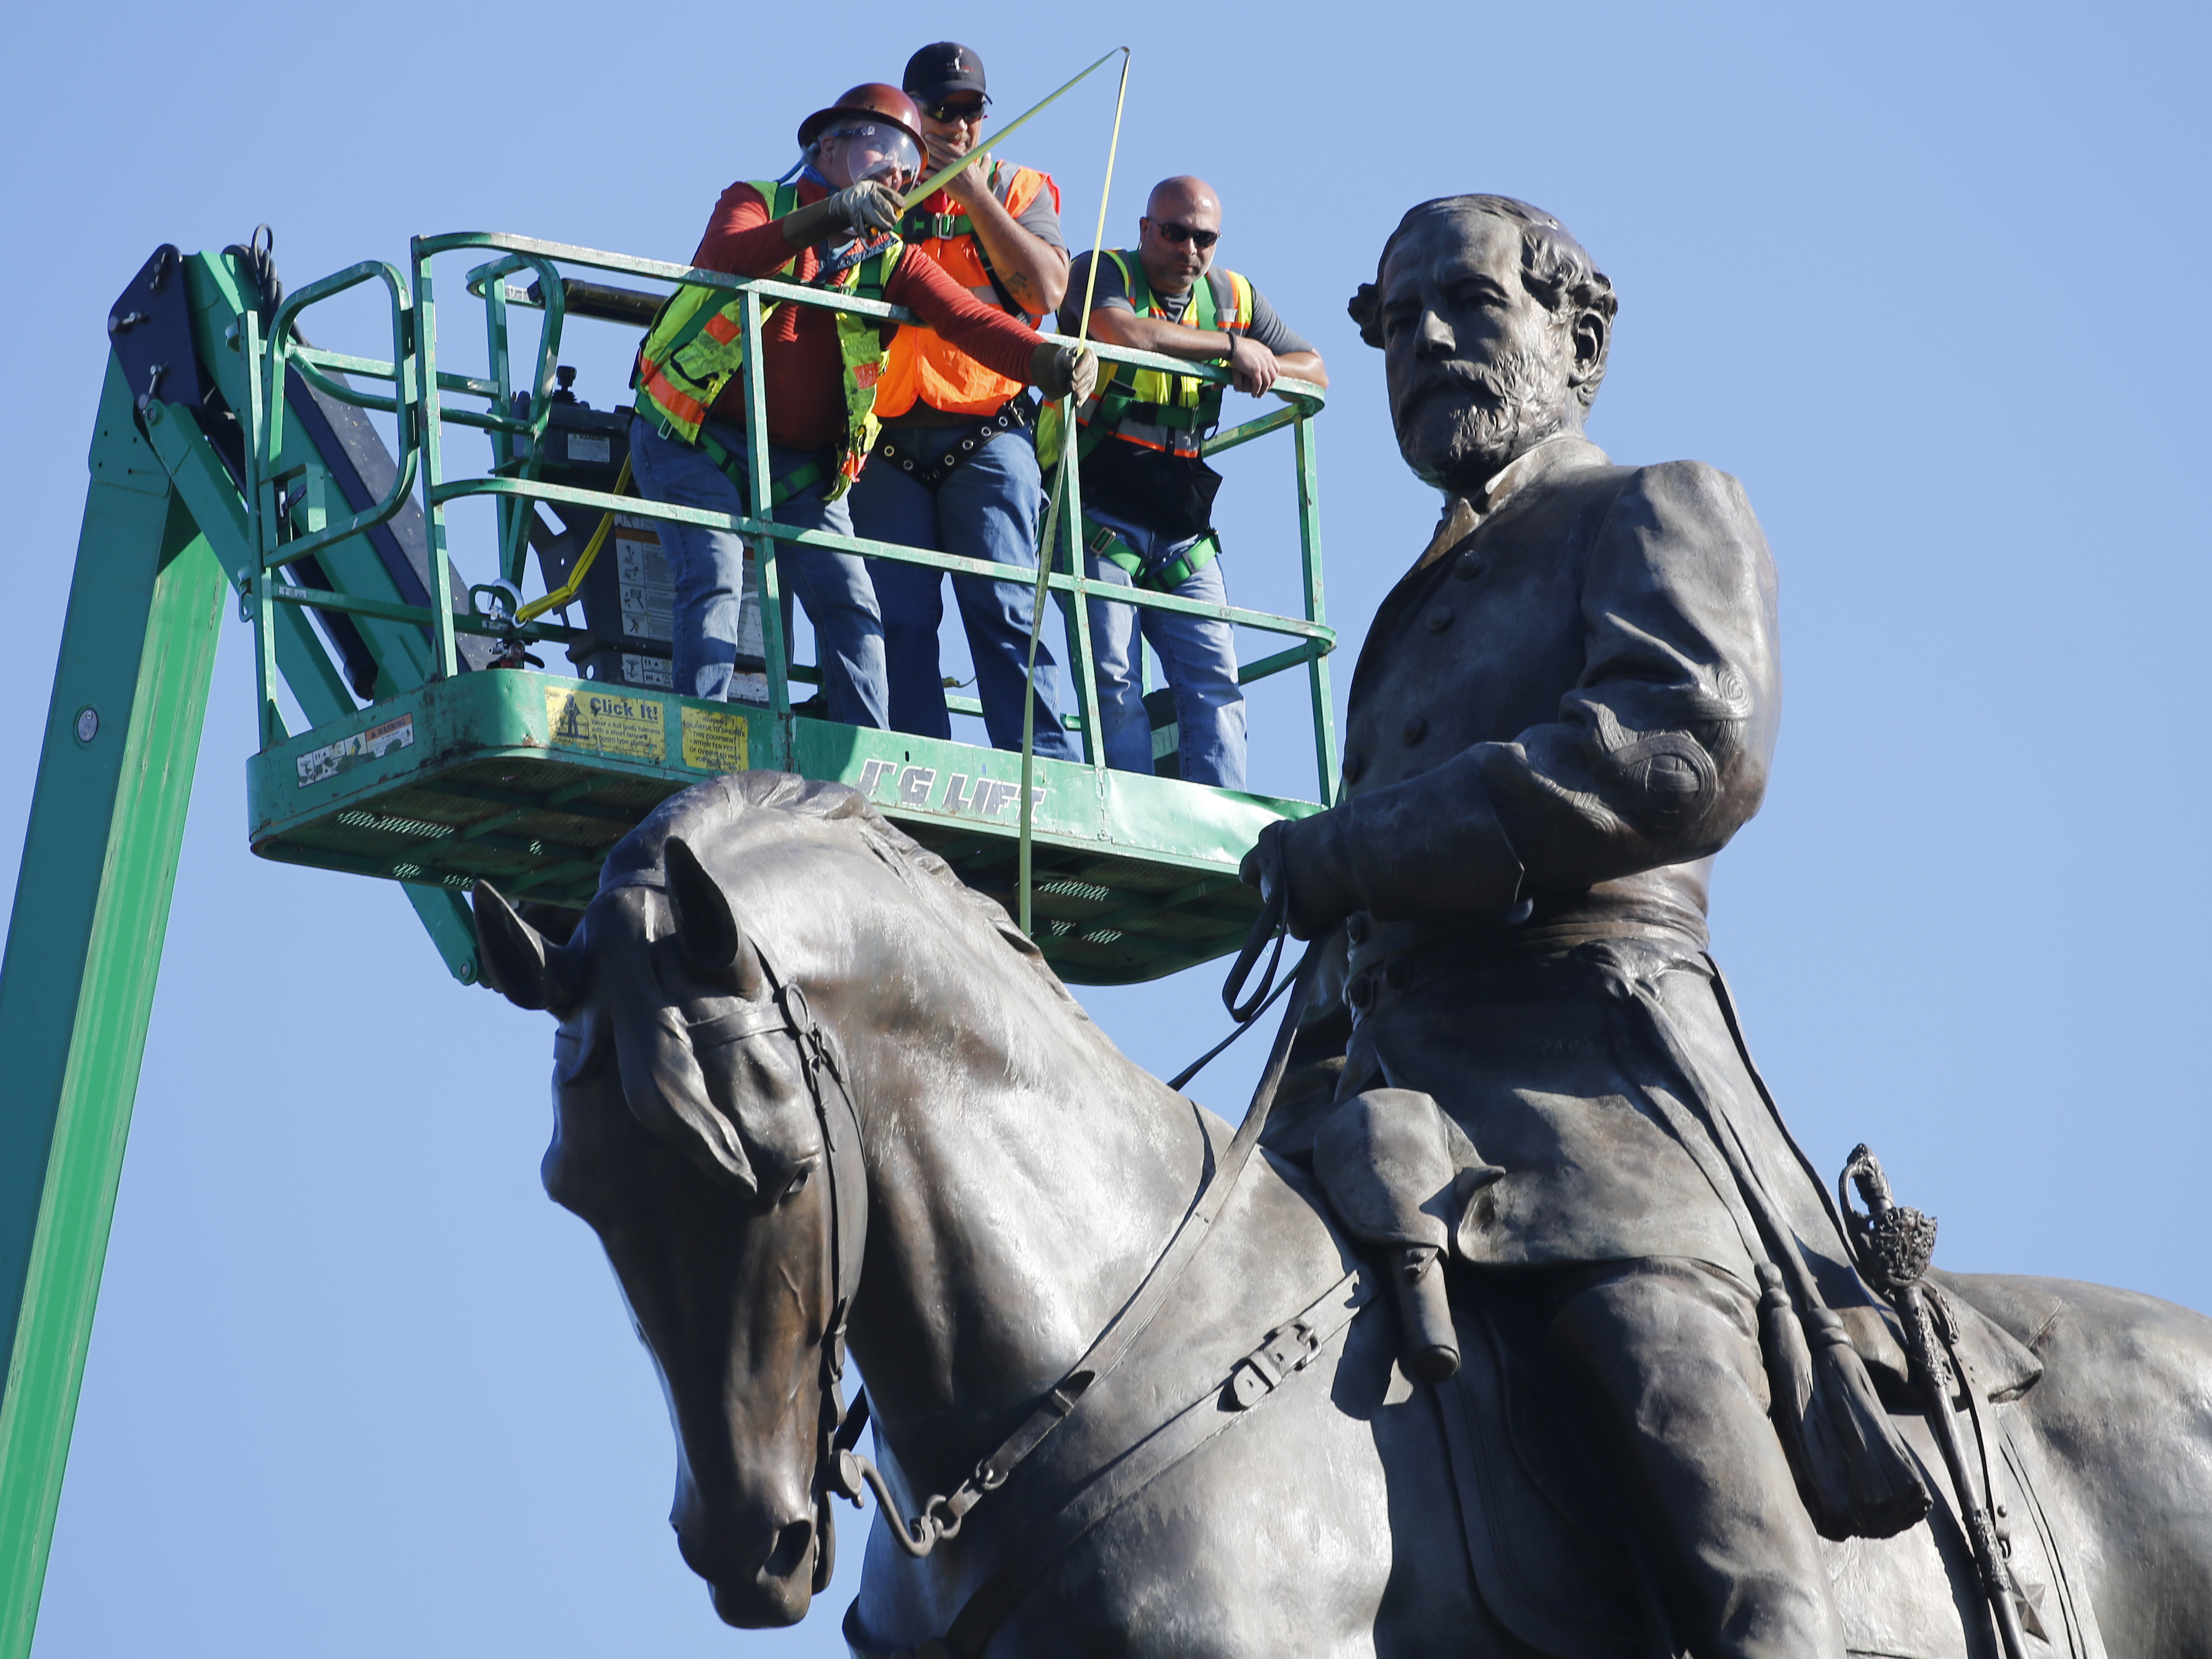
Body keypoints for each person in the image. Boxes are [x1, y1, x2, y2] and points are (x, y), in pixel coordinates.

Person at [1245, 196, 1918, 1658]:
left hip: (1594, 1100)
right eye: (1394, 322)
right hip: (1382, 1101)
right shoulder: (1410, 608)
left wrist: (1353, 846)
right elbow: (1367, 932)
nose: (1423, 342)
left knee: (1709, 1504)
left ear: (1580, 338)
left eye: (1468, 305)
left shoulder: (1654, 506)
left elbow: (1688, 747)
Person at [628, 83, 1094, 718]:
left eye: (907, 155)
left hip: (799, 468)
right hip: (691, 440)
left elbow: (967, 320)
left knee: (854, 610)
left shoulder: (886, 257)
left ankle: (861, 781)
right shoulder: (753, 202)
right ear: (826, 145)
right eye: (881, 143)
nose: (898, 166)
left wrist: (1049, 361)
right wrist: (828, 215)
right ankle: (699, 751)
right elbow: (730, 258)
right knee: (715, 578)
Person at [846, 44, 1079, 759]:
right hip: (884, 438)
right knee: (899, 618)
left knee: (1008, 610)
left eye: (969, 109)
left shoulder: (1018, 187)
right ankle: (915, 769)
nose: (955, 122)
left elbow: (1048, 292)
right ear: (909, 112)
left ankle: (1046, 777)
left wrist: (972, 189)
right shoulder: (869, 184)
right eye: (938, 109)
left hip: (988, 432)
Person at [1057, 177, 1326, 790]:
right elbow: (1120, 332)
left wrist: (1257, 360)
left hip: (1182, 525)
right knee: (1113, 679)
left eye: (1203, 238)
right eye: (1175, 233)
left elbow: (1314, 370)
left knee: (1216, 679)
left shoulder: (1232, 294)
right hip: (1100, 508)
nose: (1189, 250)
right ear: (1146, 229)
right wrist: (1232, 347)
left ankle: (1223, 819)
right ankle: (1119, 813)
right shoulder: (1102, 272)